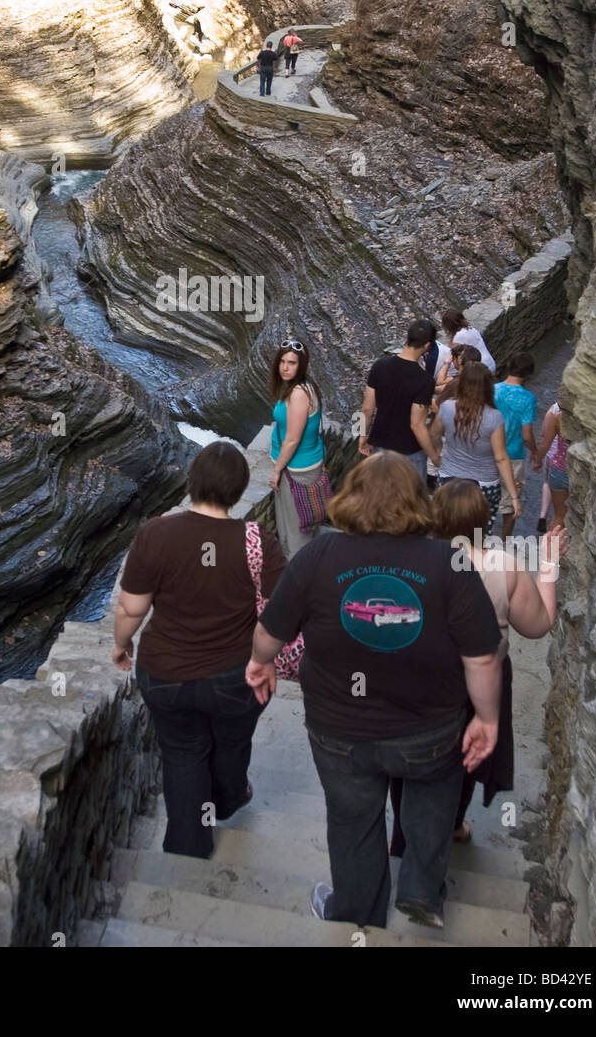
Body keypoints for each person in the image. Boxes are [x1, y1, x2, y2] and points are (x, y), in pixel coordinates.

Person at [246, 452, 502, 930]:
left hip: (339, 730)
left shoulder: (319, 556)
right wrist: (486, 718)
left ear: (351, 497)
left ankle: (359, 910)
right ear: (419, 501)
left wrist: (260, 663)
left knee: (352, 820)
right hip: (430, 728)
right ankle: (422, 893)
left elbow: (270, 630)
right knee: (431, 805)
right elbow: (482, 657)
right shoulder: (450, 562)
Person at [113, 441, 286, 859]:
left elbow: (132, 608)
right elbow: (280, 615)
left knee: (183, 753)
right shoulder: (258, 542)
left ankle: (189, 845)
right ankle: (226, 800)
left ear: (192, 482)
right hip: (236, 676)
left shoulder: (156, 533)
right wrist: (266, 660)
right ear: (238, 489)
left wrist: (121, 644)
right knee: (232, 743)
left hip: (165, 673)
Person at [389, 479, 564, 852]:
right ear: (483, 522)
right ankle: (451, 824)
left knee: (408, 753)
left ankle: (403, 835)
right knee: (467, 756)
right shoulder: (505, 567)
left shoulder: (409, 562)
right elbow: (539, 625)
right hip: (480, 683)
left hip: (419, 678)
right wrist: (548, 564)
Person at [431, 362, 521, 532]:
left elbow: (434, 435)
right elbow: (501, 458)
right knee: (478, 535)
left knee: (444, 528)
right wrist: (514, 497)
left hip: (448, 477)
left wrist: (438, 456)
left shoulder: (447, 407)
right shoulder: (494, 417)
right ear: (487, 387)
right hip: (484, 485)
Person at [359, 319, 441, 479]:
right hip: (410, 453)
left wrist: (361, 435)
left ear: (408, 338)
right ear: (427, 345)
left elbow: (366, 409)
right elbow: (417, 425)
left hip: (380, 448)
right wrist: (434, 457)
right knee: (411, 495)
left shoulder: (379, 366)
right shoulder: (424, 381)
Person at [269, 339, 326, 557]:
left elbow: (293, 439)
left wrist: (276, 470)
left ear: (301, 365)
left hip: (297, 470)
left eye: (291, 363)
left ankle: (299, 569)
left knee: (296, 532)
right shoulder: (301, 386)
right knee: (296, 523)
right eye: (282, 361)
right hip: (297, 465)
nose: (285, 367)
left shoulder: (299, 394)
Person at [494, 351, 540, 537]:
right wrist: (535, 452)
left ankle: (477, 543)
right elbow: (527, 436)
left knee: (483, 502)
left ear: (509, 366)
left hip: (489, 453)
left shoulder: (492, 389)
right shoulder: (528, 398)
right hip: (513, 455)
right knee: (510, 507)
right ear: (528, 373)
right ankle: (503, 544)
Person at [537, 401, 568, 525]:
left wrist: (537, 460)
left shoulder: (554, 412)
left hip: (558, 466)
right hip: (577, 470)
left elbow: (544, 437)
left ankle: (543, 515)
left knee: (559, 516)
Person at [441, 308, 496, 373]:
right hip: (489, 362)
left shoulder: (459, 336)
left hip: (481, 368)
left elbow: (451, 351)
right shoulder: (470, 328)